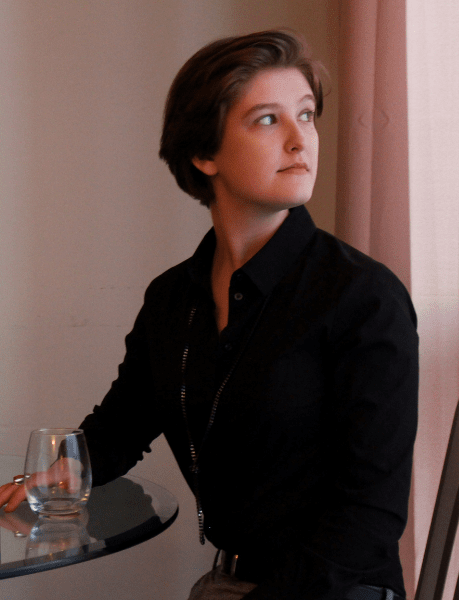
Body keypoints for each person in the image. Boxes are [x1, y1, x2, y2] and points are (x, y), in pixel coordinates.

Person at [0, 30, 418, 600]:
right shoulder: (173, 299)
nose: (301, 141)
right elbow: (123, 424)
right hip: (228, 582)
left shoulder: (365, 299)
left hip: (336, 591)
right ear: (205, 153)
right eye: (268, 120)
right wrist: (63, 472)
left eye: (307, 115)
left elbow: (369, 518)